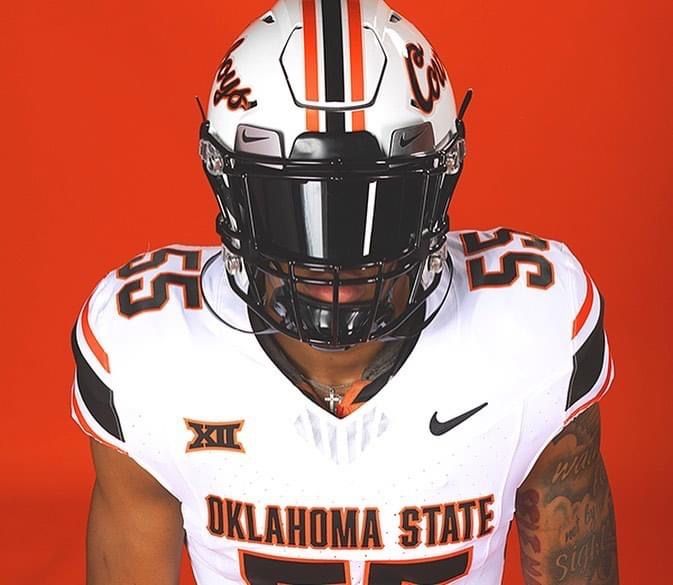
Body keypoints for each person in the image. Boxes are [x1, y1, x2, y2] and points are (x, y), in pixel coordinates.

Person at [71, 0, 619, 583]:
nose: (338, 260)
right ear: (231, 192)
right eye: (293, 209)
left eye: (380, 208)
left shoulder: (531, 332)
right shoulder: (149, 355)